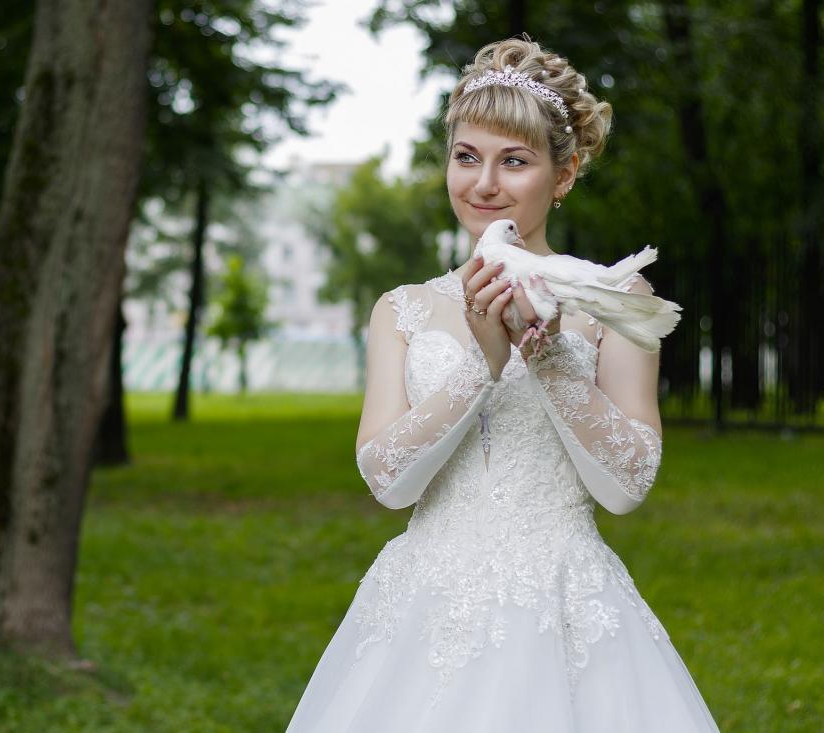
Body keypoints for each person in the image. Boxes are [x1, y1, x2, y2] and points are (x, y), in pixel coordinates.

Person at [284, 36, 721, 732]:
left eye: (513, 161)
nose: (483, 183)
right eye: (466, 157)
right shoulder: (403, 310)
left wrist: (543, 356)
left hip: (562, 600)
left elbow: (626, 482)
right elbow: (388, 481)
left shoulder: (612, 299)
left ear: (564, 172)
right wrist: (481, 364)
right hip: (423, 606)